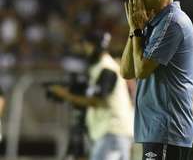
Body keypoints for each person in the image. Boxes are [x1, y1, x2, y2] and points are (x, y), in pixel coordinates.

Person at [121, 0, 193, 160]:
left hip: (168, 129)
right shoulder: (155, 24)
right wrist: (134, 29)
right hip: (158, 130)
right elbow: (126, 71)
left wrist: (138, 30)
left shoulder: (172, 23)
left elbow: (142, 71)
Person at [50, 31, 134, 160]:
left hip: (113, 131)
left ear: (94, 46)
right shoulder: (101, 67)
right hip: (111, 132)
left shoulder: (107, 68)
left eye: (87, 46)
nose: (85, 50)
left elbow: (96, 100)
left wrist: (65, 95)